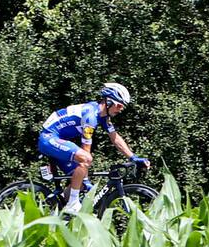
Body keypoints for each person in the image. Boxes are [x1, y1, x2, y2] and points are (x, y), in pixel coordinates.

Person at [39, 82, 147, 215]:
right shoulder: (90, 116)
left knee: (81, 184)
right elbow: (86, 151)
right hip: (48, 138)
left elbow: (115, 138)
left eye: (122, 107)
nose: (120, 110)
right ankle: (73, 204)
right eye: (119, 105)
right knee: (86, 159)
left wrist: (133, 157)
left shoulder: (103, 117)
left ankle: (63, 214)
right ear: (108, 102)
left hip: (59, 140)